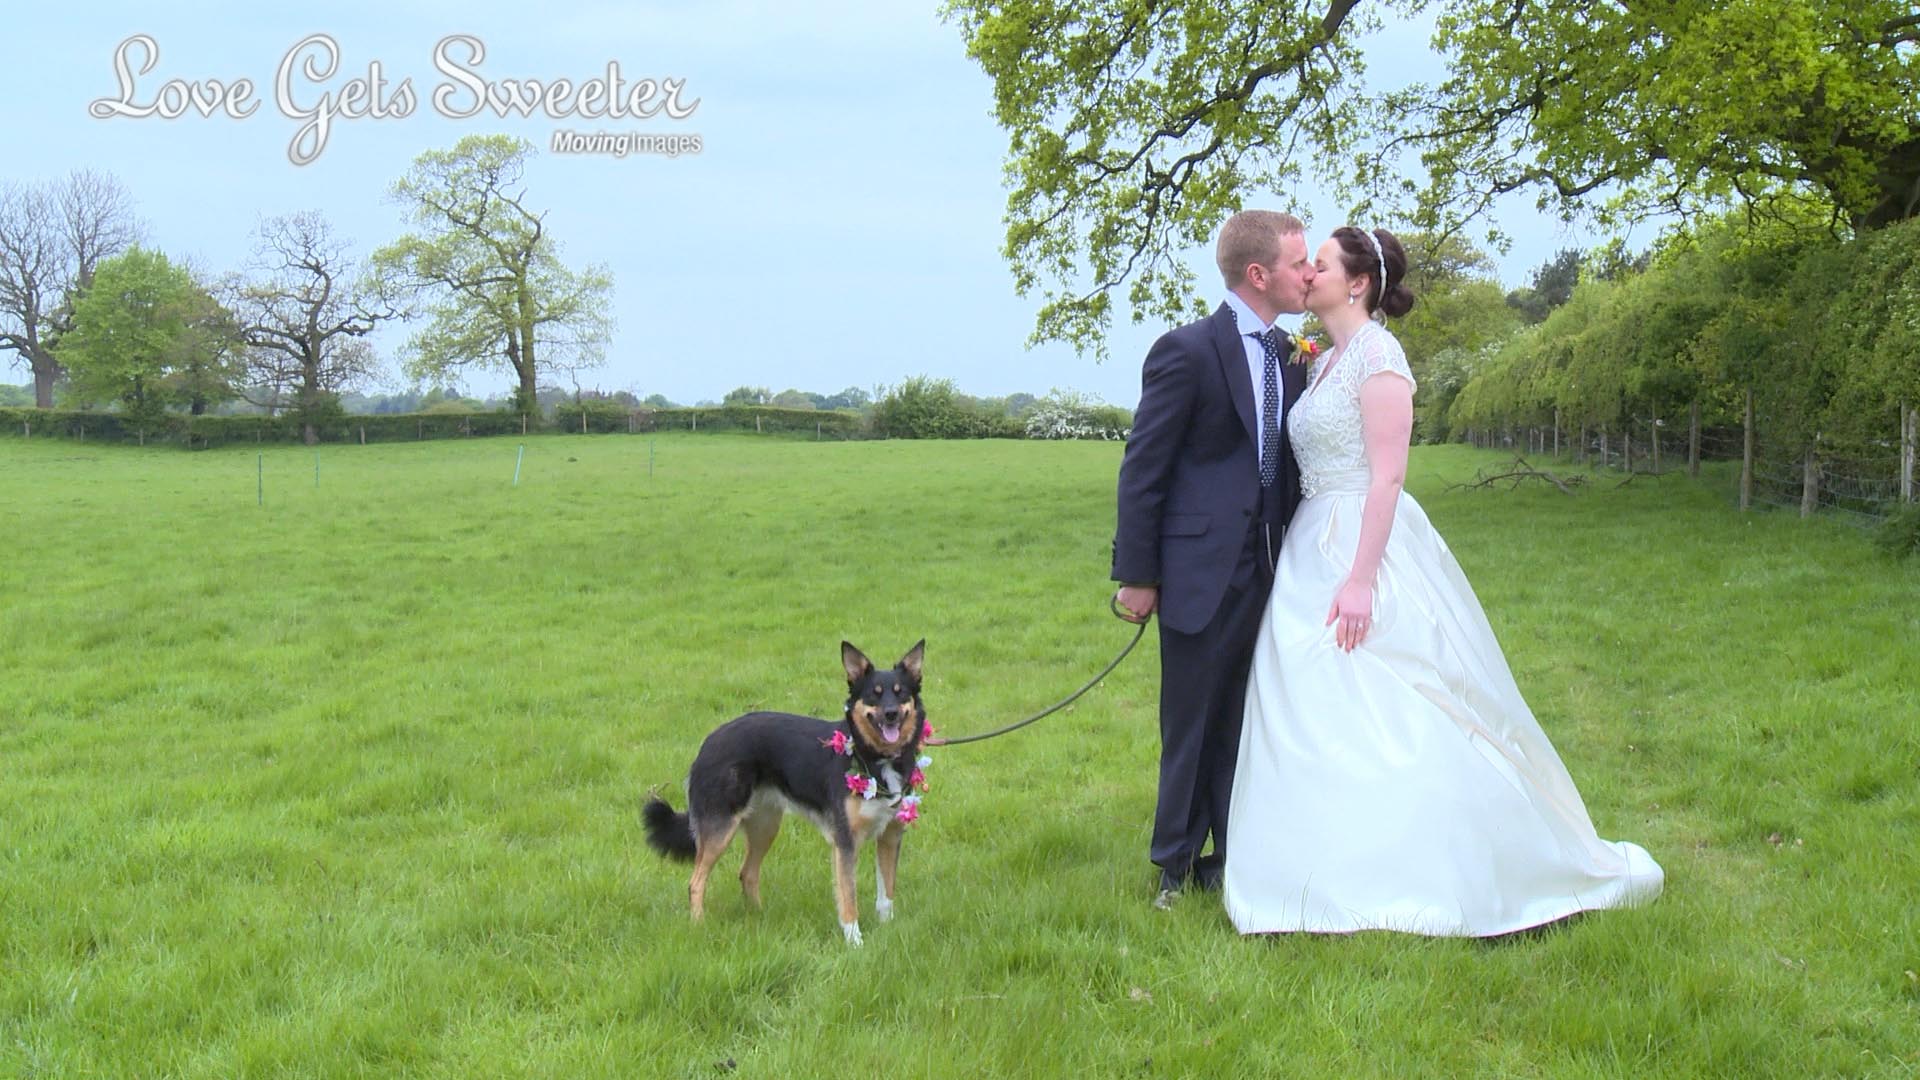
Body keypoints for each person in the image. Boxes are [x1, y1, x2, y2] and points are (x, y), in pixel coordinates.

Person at [1221, 227, 1664, 935]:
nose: (1307, 275)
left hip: (1364, 540)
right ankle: (1315, 866)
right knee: (1308, 700)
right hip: (1311, 542)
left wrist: (1361, 580)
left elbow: (1389, 475)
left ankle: (1439, 865)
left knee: (1401, 695)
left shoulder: (1380, 358)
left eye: (1322, 265)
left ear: (1359, 282)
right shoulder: (1325, 360)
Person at [1111, 210, 1315, 910]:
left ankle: (1234, 854)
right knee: (1193, 718)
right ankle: (1173, 864)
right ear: (1258, 274)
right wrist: (1138, 576)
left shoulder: (1294, 354)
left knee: (1249, 717)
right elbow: (1144, 468)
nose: (1309, 272)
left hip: (1273, 567)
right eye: (1298, 263)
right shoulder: (1187, 351)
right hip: (1200, 572)